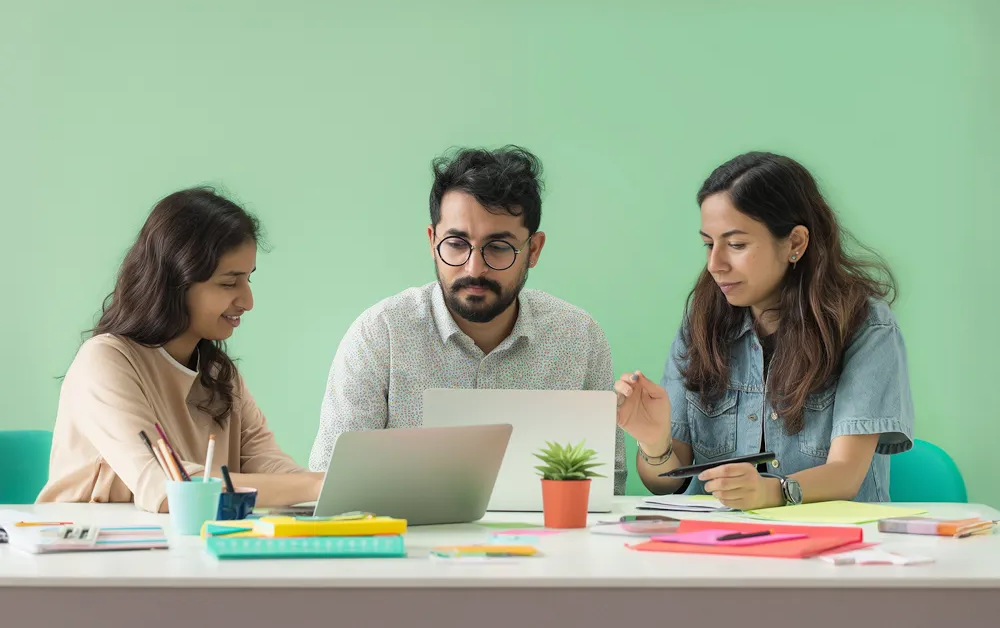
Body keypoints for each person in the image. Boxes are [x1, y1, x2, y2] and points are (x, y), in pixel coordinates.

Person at [310, 145, 626, 492]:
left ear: (533, 250)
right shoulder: (381, 334)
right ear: (432, 241)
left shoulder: (579, 337)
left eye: (499, 247)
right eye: (457, 244)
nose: (475, 268)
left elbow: (607, 487)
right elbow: (331, 483)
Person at [615, 152, 913, 509]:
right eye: (709, 244)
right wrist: (655, 444)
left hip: (833, 550)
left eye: (737, 245)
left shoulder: (865, 326)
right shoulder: (702, 320)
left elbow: (846, 473)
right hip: (715, 546)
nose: (715, 264)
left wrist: (772, 491)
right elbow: (663, 485)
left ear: (796, 243)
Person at [38, 188, 324, 513]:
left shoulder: (220, 375)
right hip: (90, 556)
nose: (247, 301)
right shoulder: (105, 361)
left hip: (181, 554)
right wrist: (314, 485)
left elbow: (268, 466)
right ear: (176, 281)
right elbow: (167, 486)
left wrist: (331, 485)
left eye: (248, 280)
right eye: (229, 283)